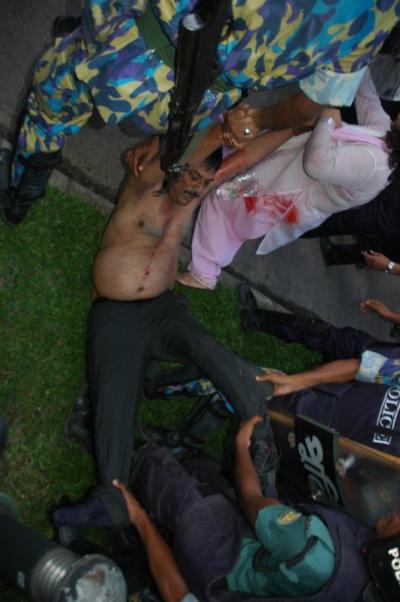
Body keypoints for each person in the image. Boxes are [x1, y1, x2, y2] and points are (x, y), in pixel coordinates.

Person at [51, 122, 278, 531]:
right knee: (112, 404)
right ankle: (112, 500)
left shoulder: (196, 192)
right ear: (175, 166)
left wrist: (296, 123)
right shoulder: (142, 184)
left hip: (163, 310)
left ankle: (258, 426)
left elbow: (251, 154)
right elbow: (184, 153)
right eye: (190, 175)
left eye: (203, 181)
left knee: (208, 350)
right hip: (116, 313)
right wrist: (219, 133)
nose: (195, 187)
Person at [1, 1, 399, 226]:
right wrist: (257, 121)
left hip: (132, 42)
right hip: (198, 98)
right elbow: (312, 103)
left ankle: (20, 190)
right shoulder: (382, 12)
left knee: (49, 109)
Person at [112, 420, 400, 602]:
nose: (397, 514)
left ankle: (131, 456)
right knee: (205, 472)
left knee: (169, 480)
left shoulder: (318, 552)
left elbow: (250, 498)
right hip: (258, 564)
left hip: (218, 558)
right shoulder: (374, 576)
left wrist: (241, 445)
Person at [178, 68, 399, 290]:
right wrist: (359, 61)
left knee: (222, 204)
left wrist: (327, 120)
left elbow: (316, 164)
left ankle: (204, 273)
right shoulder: (385, 131)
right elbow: (367, 96)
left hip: (287, 197)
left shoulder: (375, 163)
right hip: (285, 172)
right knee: (230, 198)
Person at [237, 284, 400, 455]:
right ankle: (256, 319)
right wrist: (296, 382)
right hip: (369, 361)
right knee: (317, 332)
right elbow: (360, 368)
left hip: (335, 422)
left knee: (276, 407)